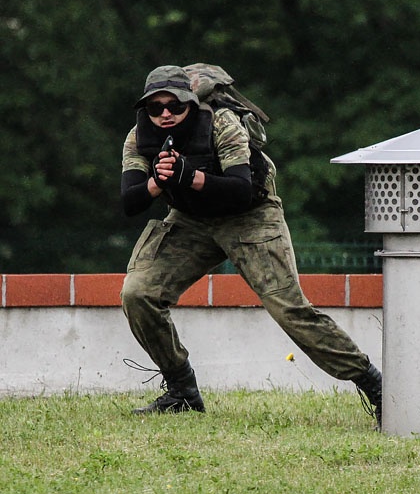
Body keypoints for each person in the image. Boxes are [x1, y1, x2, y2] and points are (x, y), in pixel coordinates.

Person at [120, 65, 382, 427]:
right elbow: (129, 201)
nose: (165, 114)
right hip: (191, 221)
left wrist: (190, 177)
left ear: (190, 104)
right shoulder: (139, 137)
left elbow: (241, 188)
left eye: (175, 106)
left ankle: (374, 385)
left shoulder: (221, 123)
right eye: (155, 107)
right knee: (138, 293)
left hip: (251, 218)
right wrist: (159, 181)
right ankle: (182, 391)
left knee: (290, 310)